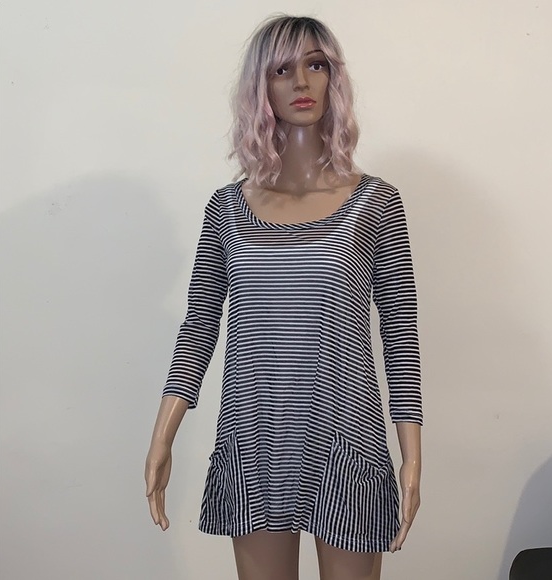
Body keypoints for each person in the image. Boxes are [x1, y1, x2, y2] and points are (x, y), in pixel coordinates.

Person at [145, 14, 423, 580]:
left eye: (315, 65)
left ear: (333, 78)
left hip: (346, 442)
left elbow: (400, 336)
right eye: (282, 70)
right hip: (254, 442)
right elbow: (199, 328)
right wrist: (162, 435)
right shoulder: (227, 209)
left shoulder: (375, 204)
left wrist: (412, 456)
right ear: (260, 87)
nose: (301, 82)